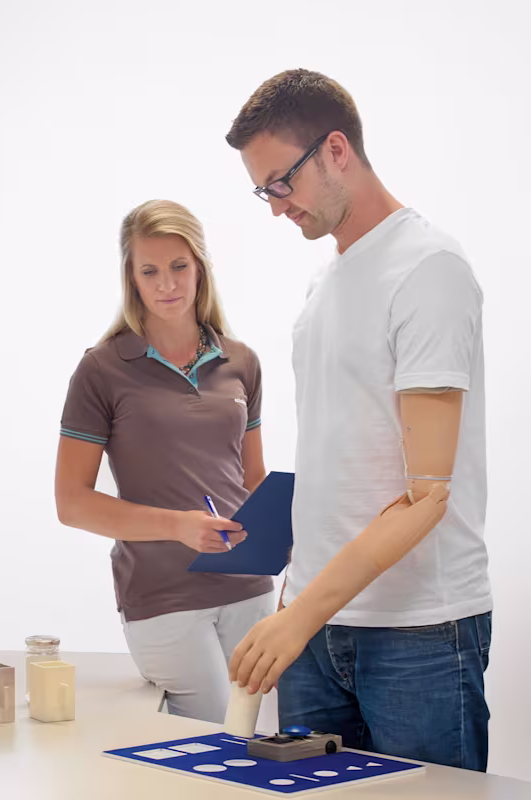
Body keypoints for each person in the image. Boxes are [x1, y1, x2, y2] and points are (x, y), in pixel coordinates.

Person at [223, 69, 492, 771]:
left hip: (418, 635)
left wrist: (302, 614)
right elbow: (336, 454)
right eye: (263, 190)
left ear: (336, 149)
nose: (275, 207)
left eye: (281, 182)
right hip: (312, 631)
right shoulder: (324, 283)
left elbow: (428, 492)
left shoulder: (428, 267)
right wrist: (292, 598)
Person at [55, 199, 275, 724]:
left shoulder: (240, 362)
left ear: (201, 268)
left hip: (250, 589)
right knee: (214, 745)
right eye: (149, 271)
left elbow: (252, 479)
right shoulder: (102, 370)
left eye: (179, 266)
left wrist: (285, 540)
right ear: (131, 278)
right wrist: (178, 526)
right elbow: (72, 503)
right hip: (163, 597)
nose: (166, 284)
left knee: (266, 745)